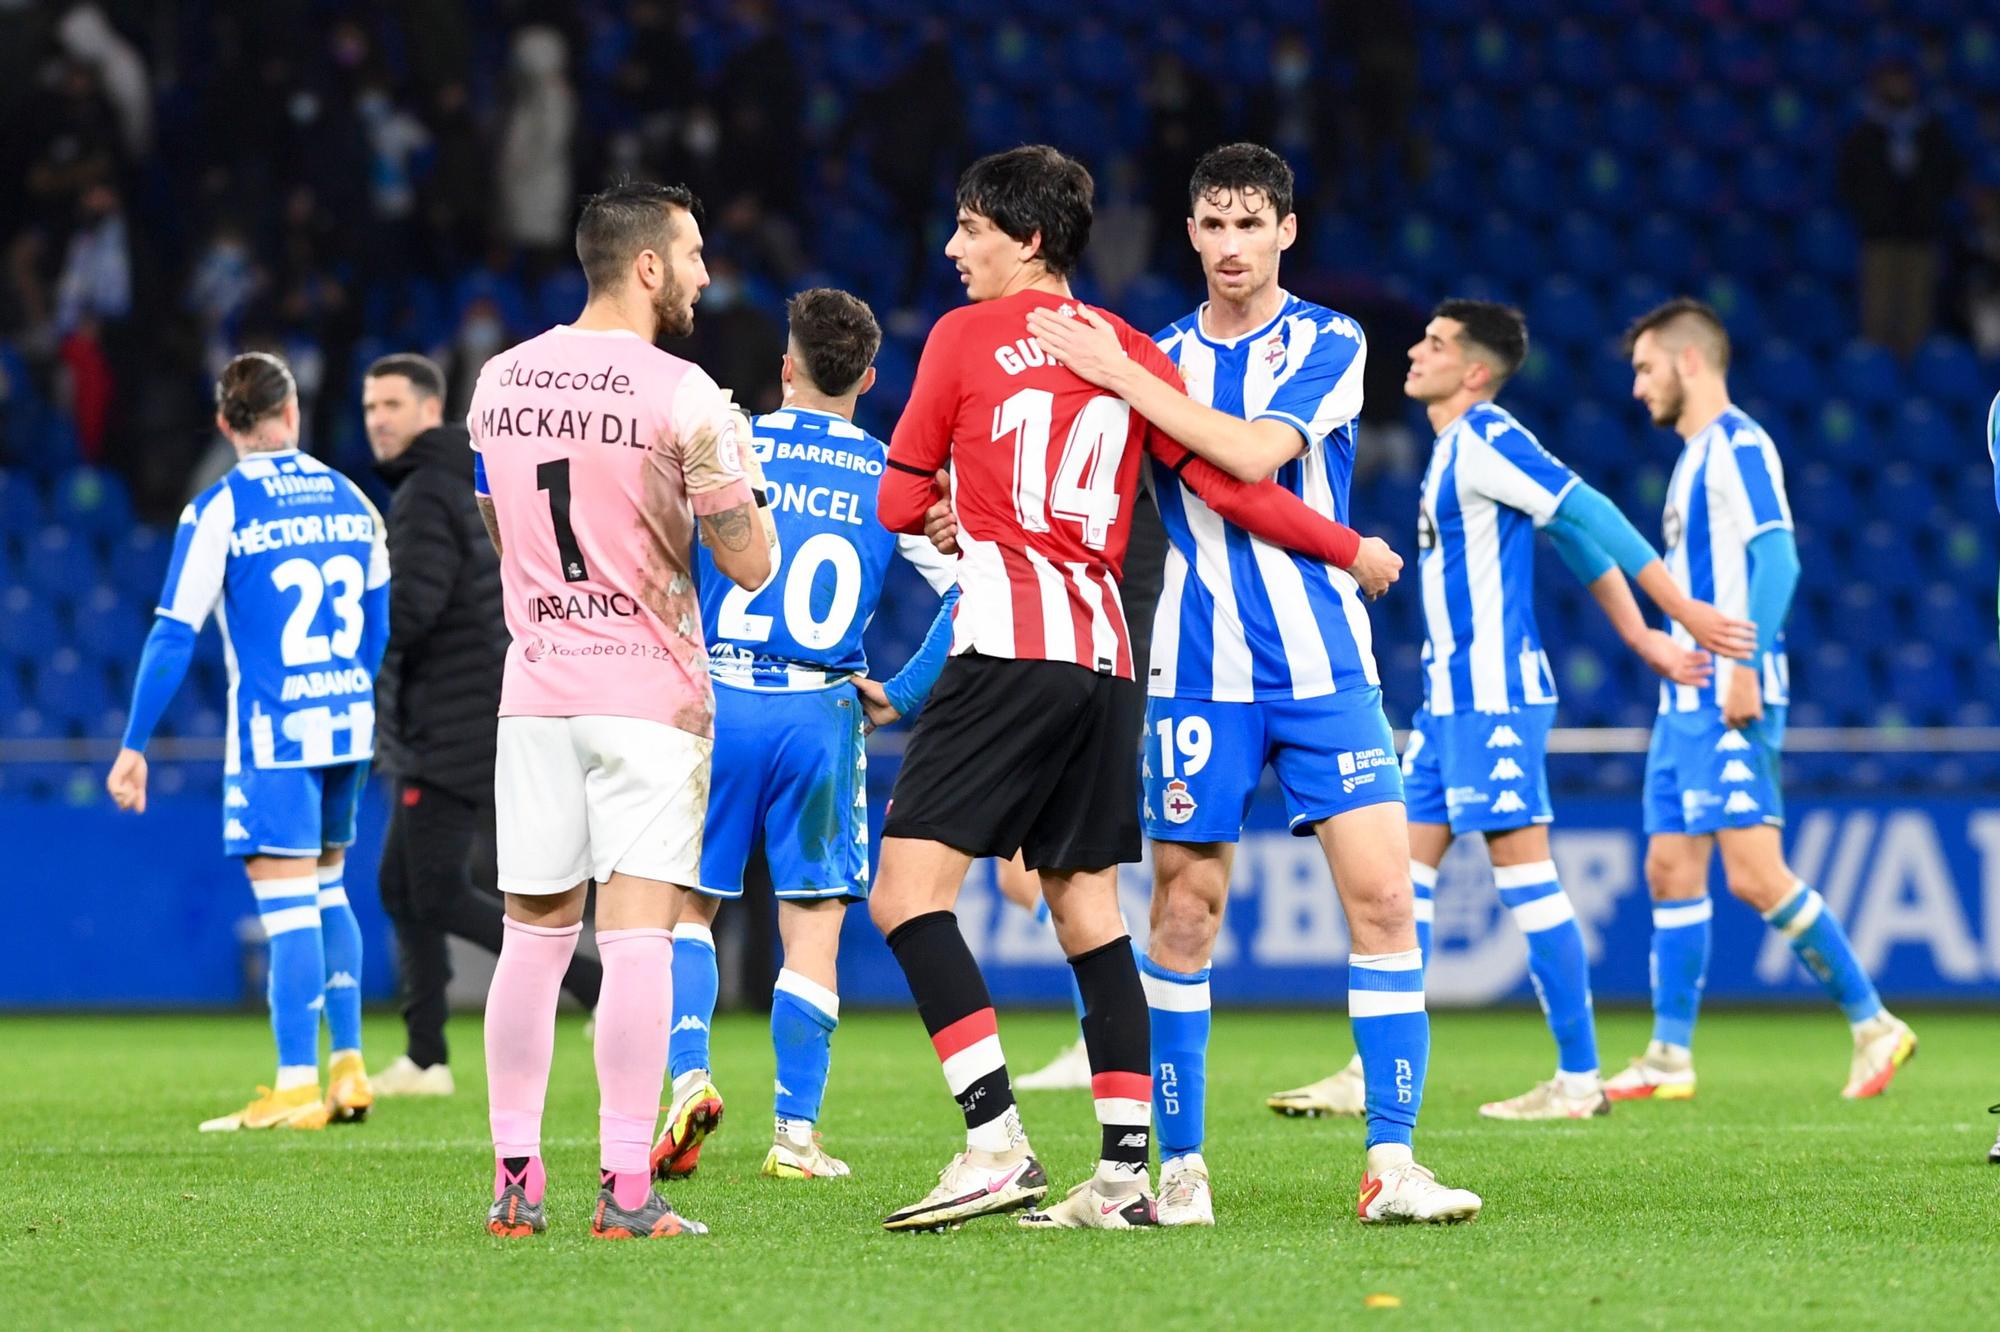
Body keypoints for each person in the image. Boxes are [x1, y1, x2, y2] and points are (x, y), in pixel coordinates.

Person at [875, 145, 1387, 1233]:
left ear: (1023, 238)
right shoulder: (1130, 351)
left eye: (969, 229)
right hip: (1109, 660)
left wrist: (940, 508)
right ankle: (1123, 1173)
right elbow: (1224, 483)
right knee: (1090, 909)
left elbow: (897, 495)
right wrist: (1346, 547)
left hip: (1011, 643)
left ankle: (992, 1141)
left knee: (904, 897)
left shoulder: (967, 337)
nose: (954, 248)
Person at [1025, 142, 1476, 1226]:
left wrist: (1125, 377)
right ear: (1189, 234)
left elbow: (1251, 460)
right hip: (1199, 671)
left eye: (1250, 224)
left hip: (1324, 666)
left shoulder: (1328, 339)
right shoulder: (1165, 350)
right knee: (1186, 909)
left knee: (1379, 901)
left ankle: (1390, 1166)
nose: (1230, 246)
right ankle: (1177, 1172)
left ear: (1285, 231)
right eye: (1212, 226)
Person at [1266, 300, 1754, 1123]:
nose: (1414, 353)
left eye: (1435, 344)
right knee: (1396, 885)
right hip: (1446, 706)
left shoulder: (1490, 437)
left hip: (1493, 702)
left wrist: (1680, 613)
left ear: (1477, 371)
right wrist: (1641, 640)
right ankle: (1369, 1067)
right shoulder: (1455, 447)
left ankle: (1578, 1078)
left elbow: (1588, 512)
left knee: (1525, 879)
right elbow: (1570, 541)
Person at [470, 180, 773, 1240]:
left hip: (537, 684)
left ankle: (515, 1186)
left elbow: (495, 522)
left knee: (531, 938)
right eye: (690, 254)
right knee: (638, 944)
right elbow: (750, 560)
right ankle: (626, 1196)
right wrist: (735, 479)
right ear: (646, 265)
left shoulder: (498, 382)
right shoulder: (686, 394)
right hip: (644, 694)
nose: (700, 273)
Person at [652, 287, 957, 1183]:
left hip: (715, 700)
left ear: (785, 366)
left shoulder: (726, 442)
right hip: (820, 712)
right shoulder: (892, 471)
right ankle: (794, 1138)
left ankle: (688, 1076)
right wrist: (902, 692)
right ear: (867, 376)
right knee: (813, 923)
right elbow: (971, 590)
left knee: (686, 906)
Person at [1607, 299, 1915, 1101]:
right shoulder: (1692, 458)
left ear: (1690, 362)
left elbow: (1778, 557)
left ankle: (1874, 1024)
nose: (1637, 387)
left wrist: (1748, 659)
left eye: (1646, 368)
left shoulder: (1738, 445)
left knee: (1752, 873)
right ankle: (1670, 1055)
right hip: (1687, 701)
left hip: (1731, 696)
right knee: (1669, 866)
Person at [107, 351, 388, 1132]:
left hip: (276, 732)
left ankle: (296, 1084)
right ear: (293, 413)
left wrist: (133, 744)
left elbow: (172, 636)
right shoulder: (355, 500)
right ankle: (350, 1067)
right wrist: (353, 696)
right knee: (329, 888)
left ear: (227, 425)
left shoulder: (221, 508)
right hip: (347, 725)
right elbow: (379, 627)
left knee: (288, 905)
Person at [362, 352, 601, 1098]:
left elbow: (416, 608)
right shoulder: (455, 480)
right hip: (460, 710)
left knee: (428, 889)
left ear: (431, 410)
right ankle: (426, 1053)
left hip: (448, 720)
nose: (378, 420)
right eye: (370, 408)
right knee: (401, 885)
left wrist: (357, 626)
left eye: (392, 405)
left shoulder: (425, 493)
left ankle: (587, 980)